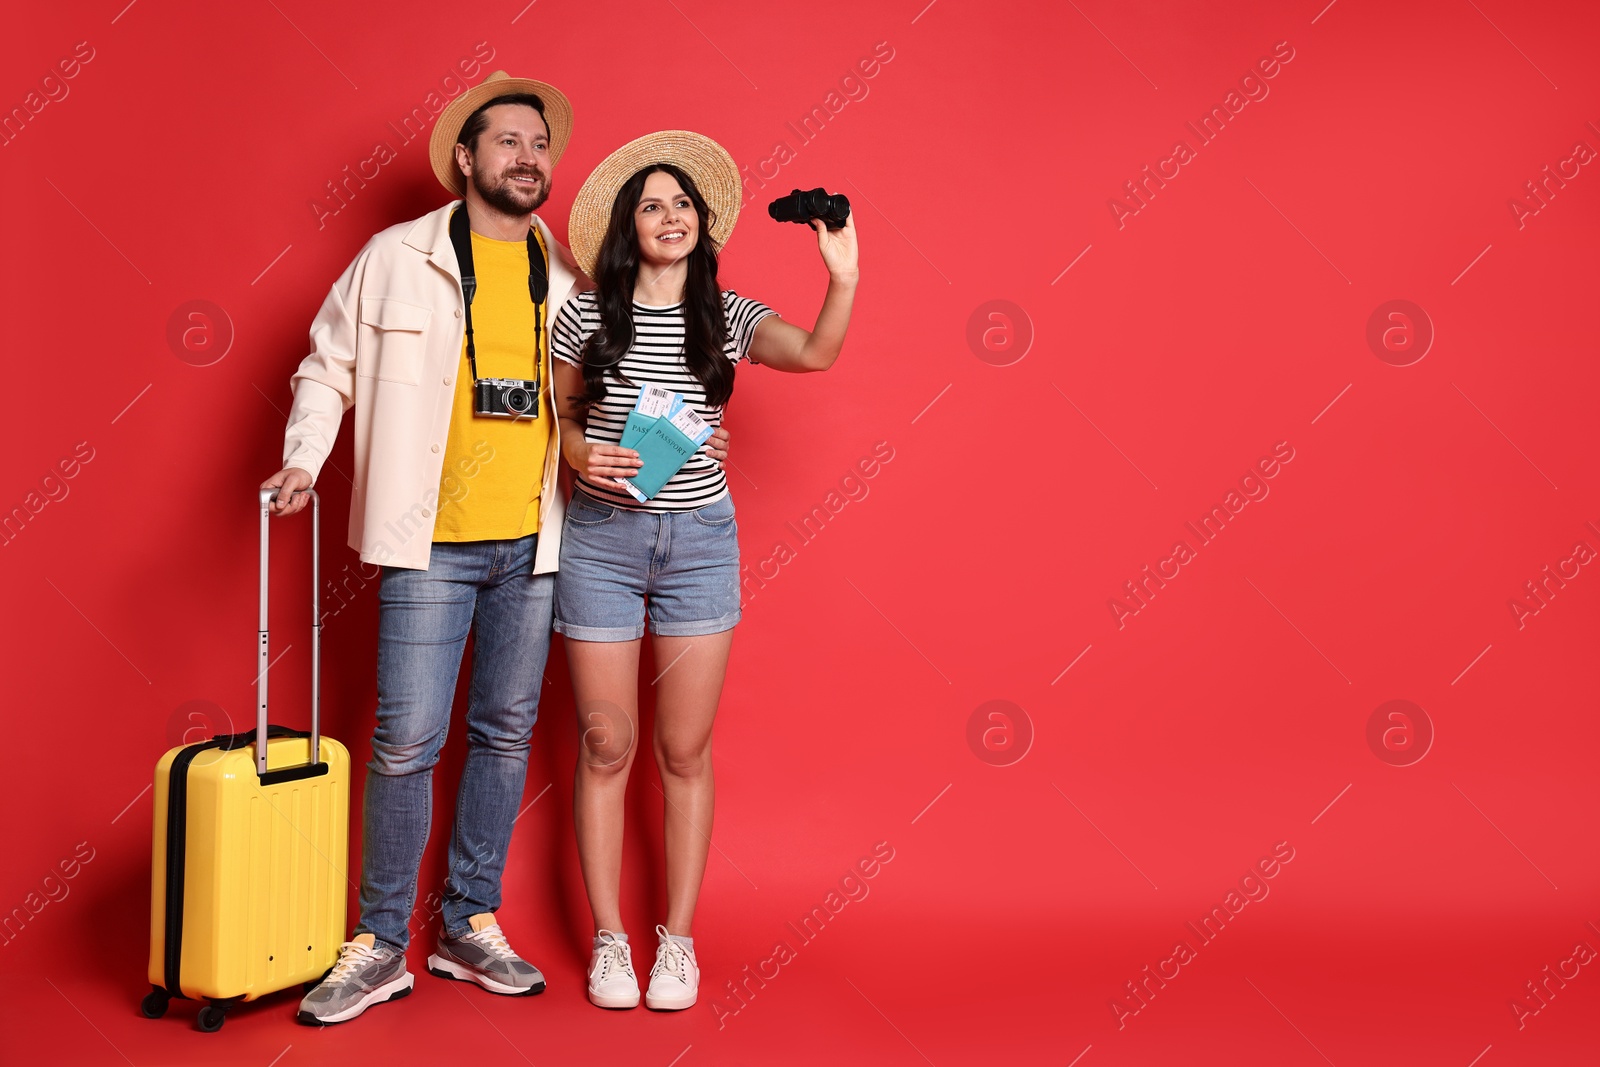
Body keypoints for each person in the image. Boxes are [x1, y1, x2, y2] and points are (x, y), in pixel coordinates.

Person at [259, 75, 733, 1025]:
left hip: (542, 543)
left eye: (540, 145)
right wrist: (304, 458)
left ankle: (468, 921)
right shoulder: (395, 258)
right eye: (508, 142)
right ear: (467, 161)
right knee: (404, 741)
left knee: (505, 734)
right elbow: (327, 363)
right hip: (427, 538)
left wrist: (688, 433)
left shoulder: (570, 278)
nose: (529, 157)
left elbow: (617, 387)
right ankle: (383, 938)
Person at [549, 130, 859, 1011]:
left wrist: (842, 277)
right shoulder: (583, 315)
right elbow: (563, 422)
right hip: (602, 542)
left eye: (682, 202)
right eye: (651, 204)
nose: (670, 216)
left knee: (683, 749)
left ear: (702, 220)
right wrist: (583, 457)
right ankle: (611, 939)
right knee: (608, 742)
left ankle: (674, 941)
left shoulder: (727, 315)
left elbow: (817, 354)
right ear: (627, 225)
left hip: (699, 545)